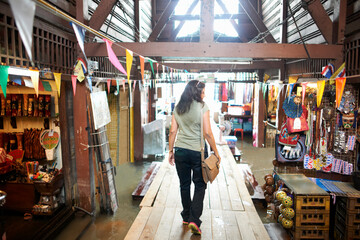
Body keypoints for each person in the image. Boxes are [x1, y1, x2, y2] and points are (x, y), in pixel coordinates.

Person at [168, 80, 221, 235]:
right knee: (200, 185)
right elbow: (207, 133)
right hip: (198, 152)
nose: (204, 95)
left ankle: (186, 216)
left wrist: (171, 151)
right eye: (203, 92)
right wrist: (216, 151)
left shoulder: (178, 108)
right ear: (197, 92)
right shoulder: (203, 107)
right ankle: (194, 220)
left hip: (180, 151)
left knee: (184, 184)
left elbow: (172, 132)